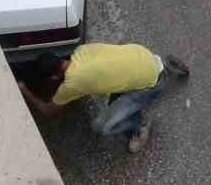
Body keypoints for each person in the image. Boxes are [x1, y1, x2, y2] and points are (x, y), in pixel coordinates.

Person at [16, 43, 189, 153]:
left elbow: (49, 110)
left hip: (149, 85)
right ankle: (165, 65)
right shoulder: (82, 51)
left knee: (100, 126)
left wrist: (24, 90)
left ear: (54, 78)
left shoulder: (72, 83)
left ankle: (140, 126)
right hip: (143, 55)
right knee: (117, 88)